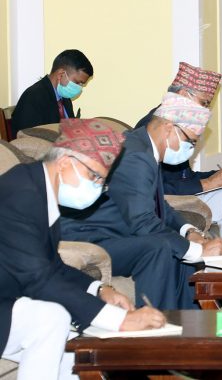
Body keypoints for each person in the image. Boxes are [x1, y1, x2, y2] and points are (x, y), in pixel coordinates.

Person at [1, 119, 166, 378]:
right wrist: (119, 320)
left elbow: (52, 265)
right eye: (94, 177)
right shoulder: (22, 193)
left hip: (10, 299)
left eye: (102, 181)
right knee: (51, 318)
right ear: (65, 162)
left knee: (78, 349)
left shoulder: (40, 188)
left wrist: (99, 290)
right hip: (7, 302)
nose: (97, 187)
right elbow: (39, 279)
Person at [60, 93, 222, 309]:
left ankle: (190, 321)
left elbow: (159, 206)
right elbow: (142, 222)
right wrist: (197, 251)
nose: (190, 149)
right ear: (169, 128)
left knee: (180, 248)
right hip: (90, 239)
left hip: (117, 233)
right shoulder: (136, 155)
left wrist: (189, 233)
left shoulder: (145, 148)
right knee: (159, 247)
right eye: (190, 142)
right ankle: (158, 324)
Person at [134, 63, 222, 255]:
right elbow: (158, 189)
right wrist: (207, 184)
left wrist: (221, 176)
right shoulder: (154, 129)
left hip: (183, 193)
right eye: (204, 103)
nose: (205, 110)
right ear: (184, 95)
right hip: (172, 201)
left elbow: (183, 176)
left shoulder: (180, 124)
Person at [10, 50, 93, 136]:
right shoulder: (33, 97)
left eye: (82, 84)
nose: (79, 88)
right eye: (77, 82)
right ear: (61, 74)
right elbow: (27, 137)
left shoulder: (65, 98)